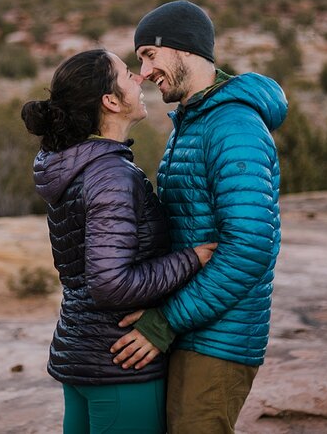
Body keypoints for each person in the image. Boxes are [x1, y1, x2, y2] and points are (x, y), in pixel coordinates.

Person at [110, 0, 287, 433]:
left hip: (219, 339)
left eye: (150, 55)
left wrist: (165, 322)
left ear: (183, 48)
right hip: (194, 326)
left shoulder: (233, 127)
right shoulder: (196, 122)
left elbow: (250, 248)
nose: (146, 72)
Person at [21, 48, 217, 434]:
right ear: (110, 101)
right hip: (120, 362)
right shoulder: (110, 176)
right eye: (128, 74)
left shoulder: (74, 163)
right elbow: (110, 283)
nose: (139, 78)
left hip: (83, 355)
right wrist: (192, 258)